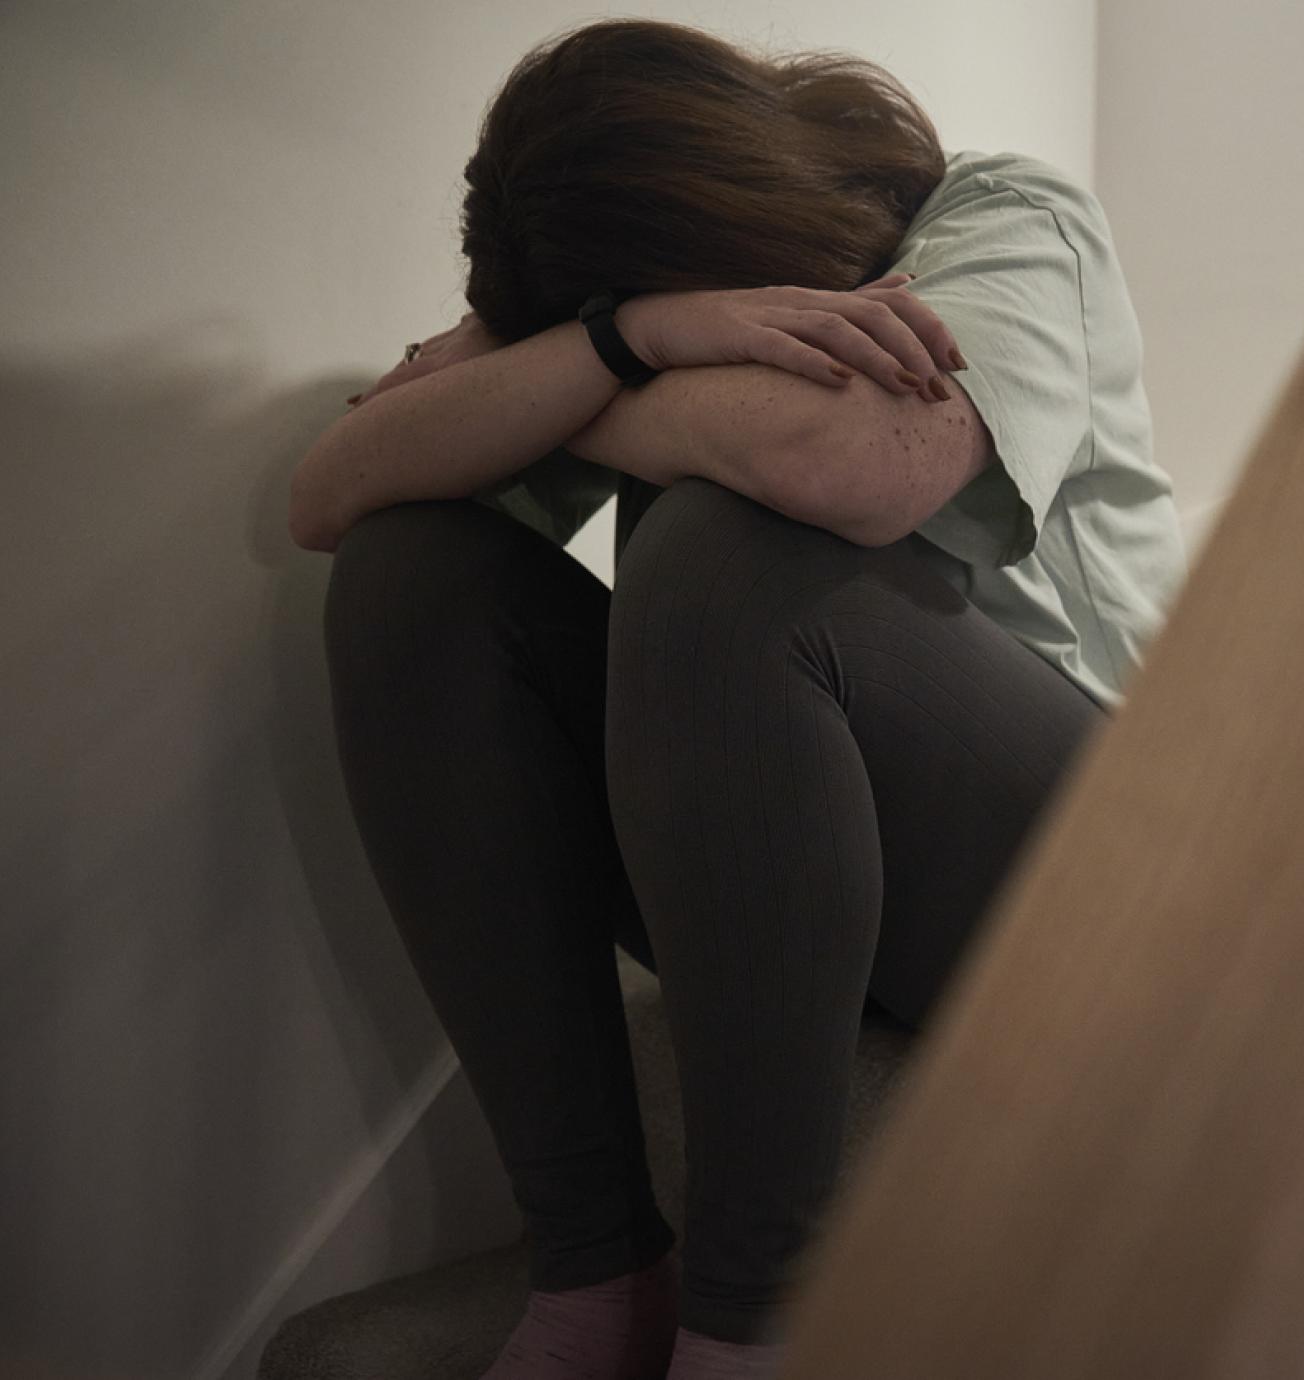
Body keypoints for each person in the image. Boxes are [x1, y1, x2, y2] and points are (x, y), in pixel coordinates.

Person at [289, 17, 1185, 1380]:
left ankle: (757, 1315)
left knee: (730, 545)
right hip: (794, 849)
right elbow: (332, 491)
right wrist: (632, 337)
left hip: (1104, 883)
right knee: (415, 574)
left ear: (749, 202)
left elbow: (864, 465)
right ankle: (597, 1276)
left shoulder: (1007, 214)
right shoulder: (643, 311)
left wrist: (574, 379)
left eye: (658, 311)